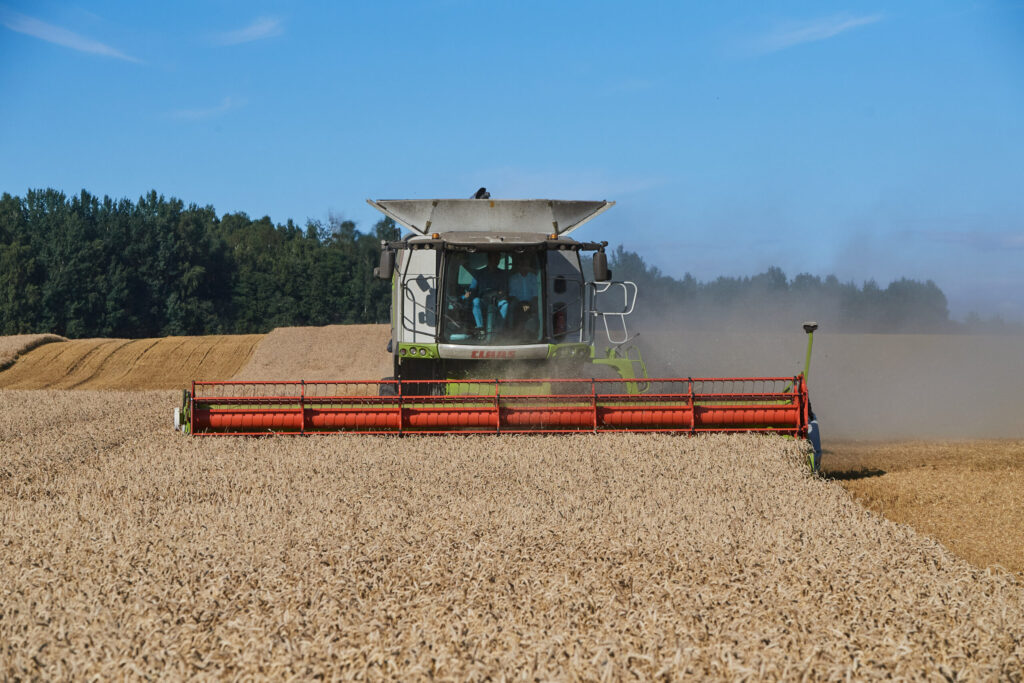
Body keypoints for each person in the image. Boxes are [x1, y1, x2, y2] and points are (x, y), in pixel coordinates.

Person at [462, 252, 508, 333]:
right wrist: (464, 296)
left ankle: (499, 330)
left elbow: (503, 290)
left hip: (497, 301)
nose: (496, 261)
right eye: (494, 258)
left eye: (498, 259)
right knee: (476, 301)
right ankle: (480, 328)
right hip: (483, 301)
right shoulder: (479, 274)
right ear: (489, 259)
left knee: (505, 304)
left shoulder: (502, 274)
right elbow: (472, 289)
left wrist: (497, 295)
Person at [508, 256, 539, 334]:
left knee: (537, 309)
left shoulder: (534, 277)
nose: (524, 266)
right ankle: (511, 330)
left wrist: (529, 305)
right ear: (518, 265)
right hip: (518, 302)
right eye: (522, 264)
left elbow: (536, 295)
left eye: (526, 264)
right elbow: (512, 295)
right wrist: (521, 305)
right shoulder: (513, 278)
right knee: (511, 307)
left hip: (532, 302)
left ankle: (535, 331)